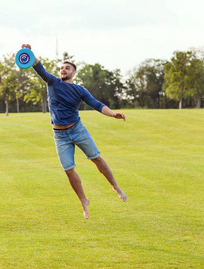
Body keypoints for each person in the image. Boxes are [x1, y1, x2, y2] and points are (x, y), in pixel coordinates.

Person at [22, 44, 127, 219]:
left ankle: (115, 186)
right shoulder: (52, 82)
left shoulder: (79, 90)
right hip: (60, 136)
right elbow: (38, 67)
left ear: (74, 73)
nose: (63, 70)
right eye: (62, 68)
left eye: (67, 68)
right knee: (69, 169)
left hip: (77, 130)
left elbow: (97, 105)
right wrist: (29, 53)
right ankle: (83, 200)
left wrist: (113, 114)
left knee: (97, 159)